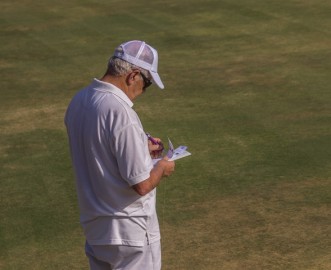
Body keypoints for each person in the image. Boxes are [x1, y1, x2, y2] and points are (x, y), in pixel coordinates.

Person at [64, 40, 175, 270]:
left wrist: (139, 148)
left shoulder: (79, 101)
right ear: (133, 75)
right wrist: (162, 167)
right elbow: (142, 184)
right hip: (130, 232)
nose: (143, 91)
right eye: (147, 84)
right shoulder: (121, 112)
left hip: (96, 231)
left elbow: (98, 148)